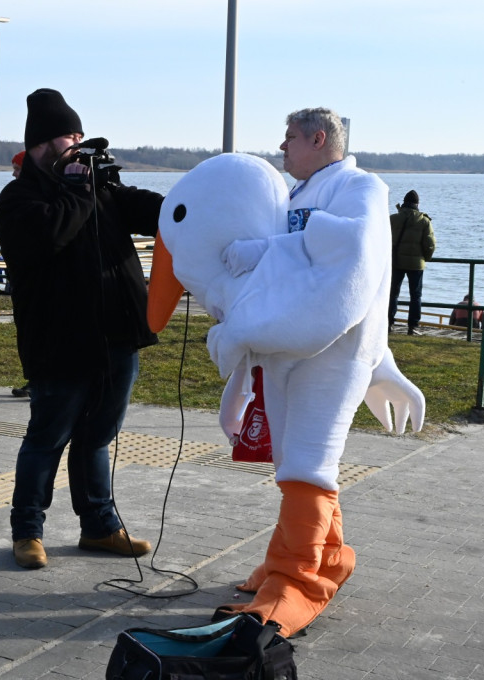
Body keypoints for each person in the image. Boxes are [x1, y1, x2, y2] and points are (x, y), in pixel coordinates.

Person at [205, 108, 394, 636]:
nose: (282, 147)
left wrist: (265, 249)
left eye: (289, 138)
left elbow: (353, 255)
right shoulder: (299, 195)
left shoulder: (360, 188)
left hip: (333, 350)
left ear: (318, 138)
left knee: (308, 463)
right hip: (291, 351)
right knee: (292, 458)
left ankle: (297, 582)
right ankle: (321, 557)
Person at [0, 88, 163, 569]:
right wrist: (78, 189)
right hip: (59, 340)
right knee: (47, 438)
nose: (77, 145)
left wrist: (197, 205)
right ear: (42, 144)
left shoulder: (97, 187)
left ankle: (100, 527)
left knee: (98, 436)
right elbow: (51, 236)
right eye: (70, 136)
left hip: (117, 336)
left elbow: (149, 210)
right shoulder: (18, 198)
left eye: (80, 137)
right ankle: (27, 530)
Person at [388, 190, 436, 335]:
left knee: (392, 294)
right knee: (415, 296)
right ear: (417, 204)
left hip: (395, 261)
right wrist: (424, 258)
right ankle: (413, 326)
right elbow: (430, 244)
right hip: (416, 264)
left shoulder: (393, 218)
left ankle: (388, 323)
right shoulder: (424, 221)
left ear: (404, 202)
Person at [6, 150, 31, 400]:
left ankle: (39, 380)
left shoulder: (33, 197)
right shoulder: (17, 196)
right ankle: (35, 378)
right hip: (21, 279)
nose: (13, 174)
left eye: (17, 168)